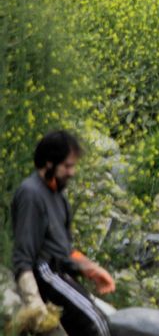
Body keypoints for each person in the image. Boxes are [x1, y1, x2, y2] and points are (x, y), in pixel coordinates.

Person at [11, 130, 114, 335]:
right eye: (67, 166)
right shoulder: (31, 194)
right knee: (95, 325)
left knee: (103, 321)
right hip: (44, 273)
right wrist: (33, 302)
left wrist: (90, 269)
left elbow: (65, 249)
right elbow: (23, 257)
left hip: (59, 273)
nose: (72, 172)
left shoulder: (58, 196)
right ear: (49, 163)